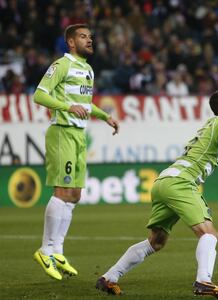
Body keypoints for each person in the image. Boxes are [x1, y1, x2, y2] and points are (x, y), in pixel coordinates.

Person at [95, 87, 218, 298]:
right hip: (181, 182)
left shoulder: (215, 129)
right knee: (209, 233)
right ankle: (203, 281)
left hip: (165, 181)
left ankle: (109, 277)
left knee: (156, 241)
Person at [32, 24, 120, 280]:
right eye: (83, 37)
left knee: (75, 195)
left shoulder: (88, 70)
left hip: (79, 135)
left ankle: (58, 250)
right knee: (62, 191)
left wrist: (105, 116)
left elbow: (85, 103)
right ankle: (45, 249)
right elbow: (40, 95)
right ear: (71, 42)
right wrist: (67, 107)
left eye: (91, 36)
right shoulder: (62, 65)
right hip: (62, 132)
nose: (89, 40)